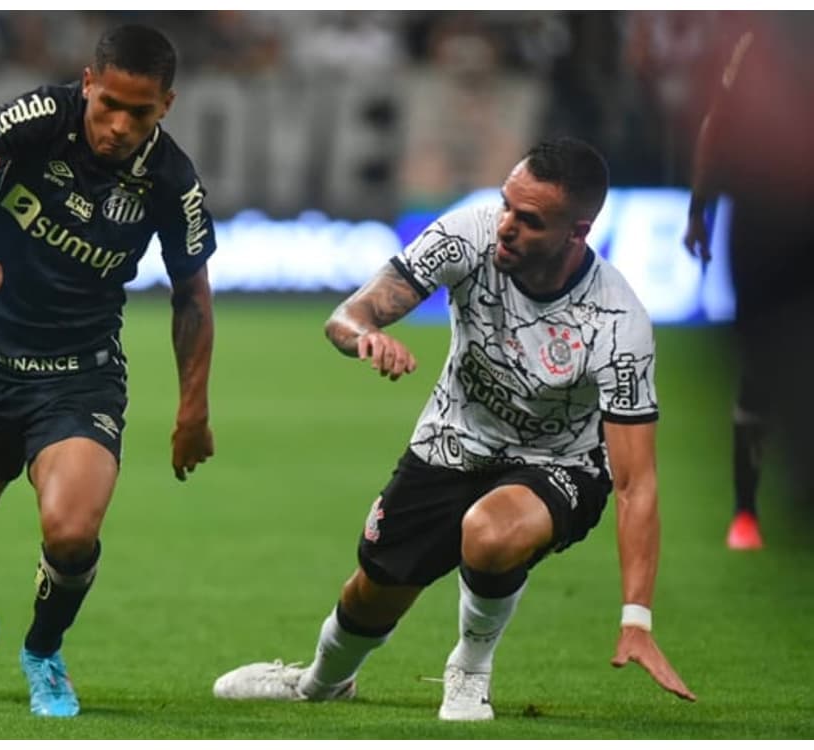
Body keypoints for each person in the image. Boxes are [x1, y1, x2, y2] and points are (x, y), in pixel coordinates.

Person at [212, 137, 696, 719]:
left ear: (578, 232)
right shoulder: (469, 234)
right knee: (371, 591)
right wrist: (365, 336)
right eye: (506, 205)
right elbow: (347, 314)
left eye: (530, 219)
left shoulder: (617, 324)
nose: (507, 227)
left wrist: (636, 619)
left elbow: (636, 483)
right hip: (451, 440)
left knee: (490, 533)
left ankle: (469, 670)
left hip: (560, 461)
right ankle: (320, 682)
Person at [0, 24, 216, 717]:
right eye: (111, 105)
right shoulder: (46, 118)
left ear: (167, 104)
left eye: (142, 111)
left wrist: (193, 409)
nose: (121, 125)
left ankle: (43, 652)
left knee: (71, 531)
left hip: (79, 376)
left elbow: (192, 293)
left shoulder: (171, 181)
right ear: (88, 84)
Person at [682, 14, 814, 529]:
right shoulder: (758, 42)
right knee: (763, 371)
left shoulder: (757, 40)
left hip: (771, 212)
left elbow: (718, 122)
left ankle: (751, 509)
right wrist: (699, 208)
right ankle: (746, 510)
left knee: (764, 363)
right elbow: (721, 123)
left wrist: (699, 210)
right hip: (775, 210)